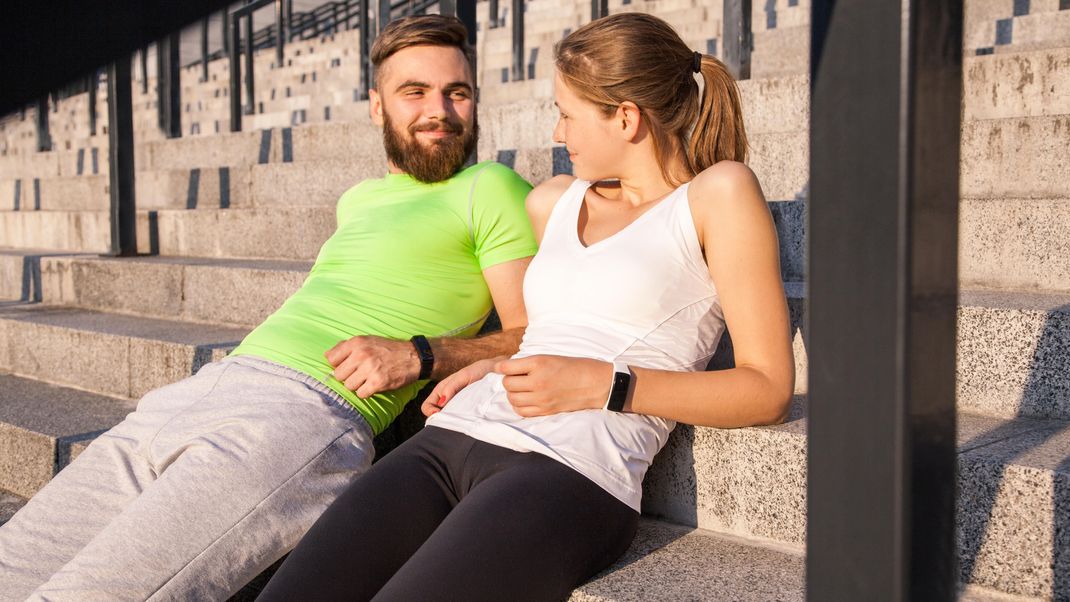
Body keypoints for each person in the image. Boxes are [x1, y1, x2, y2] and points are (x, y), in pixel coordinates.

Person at [256, 11, 796, 602]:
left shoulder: (718, 195)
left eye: (566, 114)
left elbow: (766, 389)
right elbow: (552, 332)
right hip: (451, 437)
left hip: (569, 469)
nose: (558, 135)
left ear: (626, 118)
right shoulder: (554, 201)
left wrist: (607, 385)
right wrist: (490, 366)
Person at [0, 15, 537, 601]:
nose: (440, 109)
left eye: (456, 92)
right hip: (203, 390)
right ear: (376, 106)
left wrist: (422, 354)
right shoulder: (358, 198)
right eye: (414, 91)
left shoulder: (491, 186)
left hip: (301, 414)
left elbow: (534, 330)